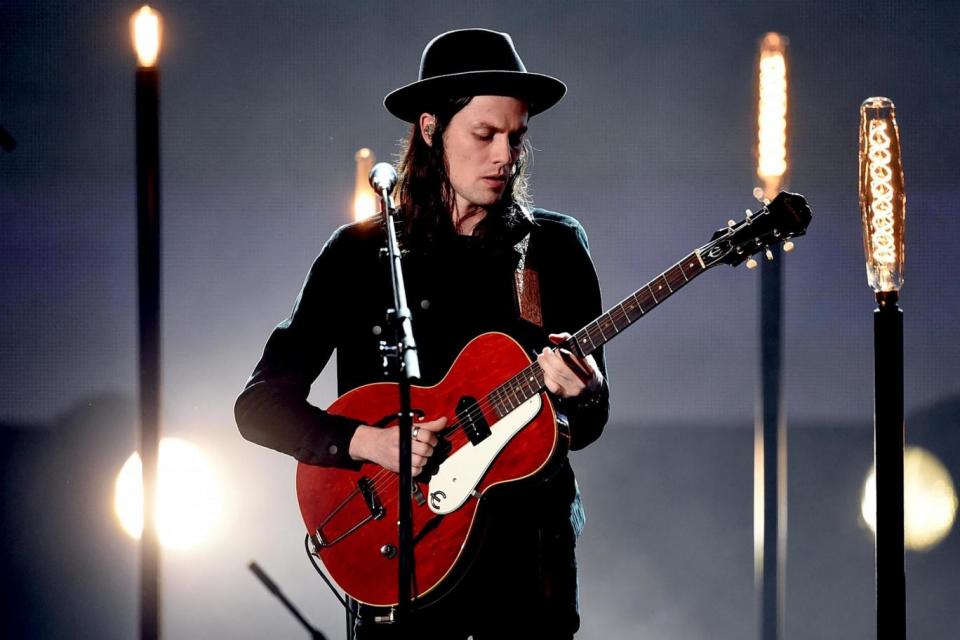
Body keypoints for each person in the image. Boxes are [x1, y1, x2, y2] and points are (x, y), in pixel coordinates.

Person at [235, 28, 610, 639]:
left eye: (516, 137)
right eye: (484, 135)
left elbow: (589, 424)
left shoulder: (554, 248)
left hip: (525, 565)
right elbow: (259, 407)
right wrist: (367, 443)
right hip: (403, 564)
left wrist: (580, 392)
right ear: (431, 129)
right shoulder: (360, 254)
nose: (503, 156)